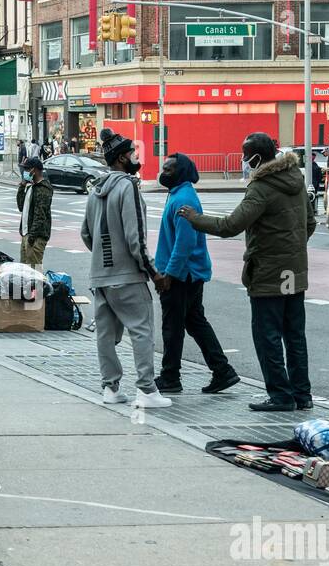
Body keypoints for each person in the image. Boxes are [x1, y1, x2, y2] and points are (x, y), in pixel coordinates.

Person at [180, 131, 316, 412]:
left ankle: (280, 395)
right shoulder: (296, 180)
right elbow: (310, 223)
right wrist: (291, 248)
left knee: (267, 336)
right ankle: (302, 395)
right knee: (294, 335)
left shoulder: (262, 187)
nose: (243, 160)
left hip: (267, 272)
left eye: (245, 155)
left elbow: (231, 225)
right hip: (295, 270)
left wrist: (195, 219)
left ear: (256, 157)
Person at [81, 129, 170, 409]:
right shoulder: (127, 186)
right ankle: (146, 390)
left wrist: (103, 257)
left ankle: (110, 387)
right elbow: (136, 238)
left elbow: (86, 234)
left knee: (105, 335)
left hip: (101, 276)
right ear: (121, 158)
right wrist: (153, 272)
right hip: (127, 275)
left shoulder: (96, 189)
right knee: (141, 330)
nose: (134, 157)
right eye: (131, 153)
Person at [153, 154, 239, 396]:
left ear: (180, 172)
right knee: (195, 322)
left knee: (173, 326)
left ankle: (170, 376)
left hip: (183, 275)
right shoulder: (179, 194)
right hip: (188, 273)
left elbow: (184, 244)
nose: (163, 172)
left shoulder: (184, 199)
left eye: (168, 169)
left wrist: (169, 274)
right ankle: (222, 370)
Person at [17, 156, 52, 268]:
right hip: (26, 234)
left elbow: (40, 216)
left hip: (35, 237)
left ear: (34, 170)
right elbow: (21, 206)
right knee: (24, 271)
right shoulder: (31, 187)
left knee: (34, 272)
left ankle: (37, 286)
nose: (25, 172)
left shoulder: (43, 189)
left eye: (27, 169)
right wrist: (22, 186)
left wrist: (32, 238)